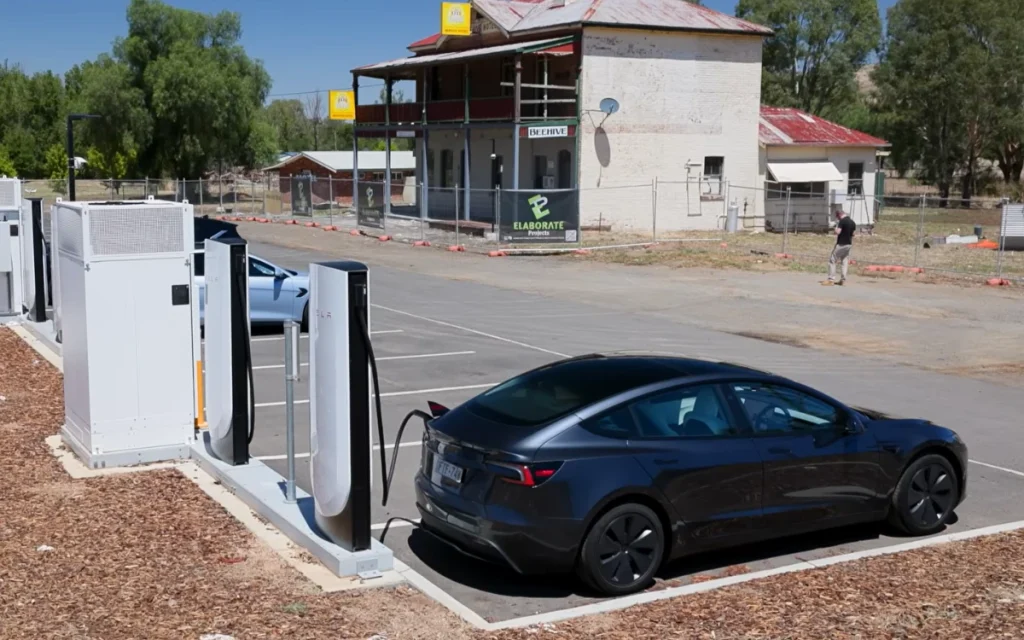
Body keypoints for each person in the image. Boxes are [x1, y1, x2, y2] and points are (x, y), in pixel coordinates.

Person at [823, 207, 856, 286]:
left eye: (837, 215)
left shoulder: (842, 221)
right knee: (844, 261)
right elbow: (853, 234)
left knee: (832, 260)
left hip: (841, 244)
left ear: (840, 214)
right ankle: (843, 279)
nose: (837, 217)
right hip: (849, 244)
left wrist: (835, 228)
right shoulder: (852, 222)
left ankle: (831, 279)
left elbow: (838, 232)